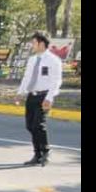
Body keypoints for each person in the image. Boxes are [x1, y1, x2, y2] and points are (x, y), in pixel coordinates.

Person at [15, 31, 62, 167]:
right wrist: (20, 93)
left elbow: (56, 81)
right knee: (30, 125)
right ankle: (37, 154)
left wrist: (49, 98)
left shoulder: (54, 60)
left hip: (44, 96)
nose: (32, 45)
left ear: (41, 43)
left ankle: (45, 152)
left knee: (38, 125)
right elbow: (26, 78)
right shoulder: (32, 59)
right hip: (32, 95)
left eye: (34, 43)